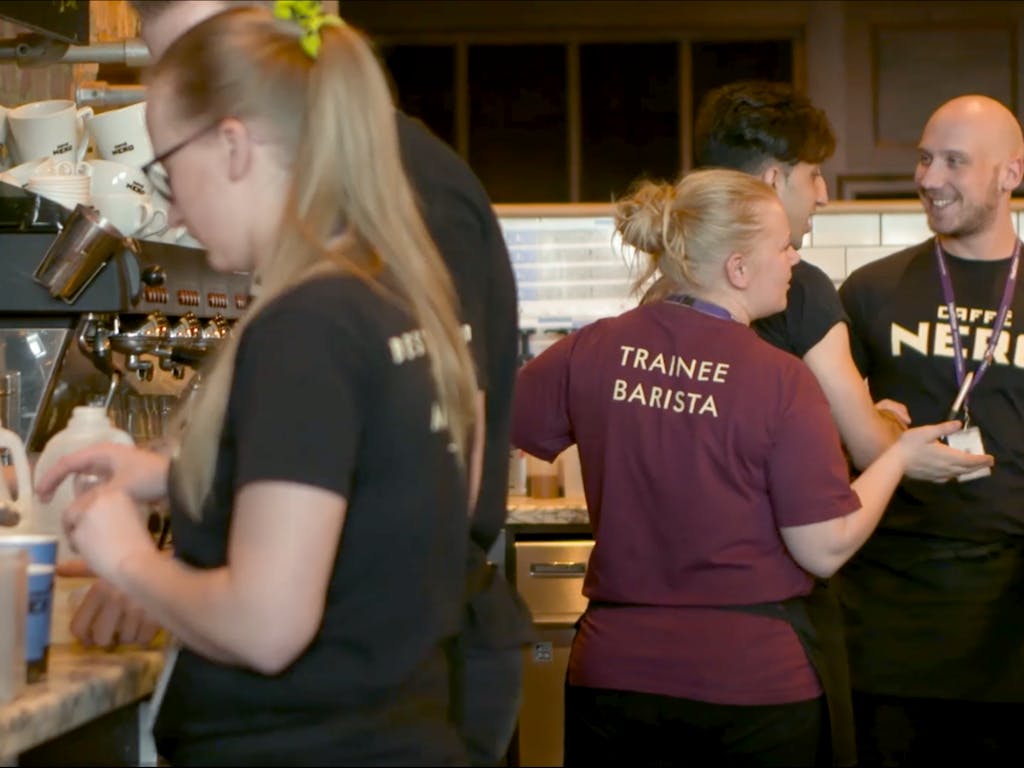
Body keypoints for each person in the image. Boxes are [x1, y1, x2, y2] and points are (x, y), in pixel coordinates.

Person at [65, 1, 532, 764]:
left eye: (167, 169)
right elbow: (374, 484)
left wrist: (126, 558)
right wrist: (177, 478)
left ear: (233, 146)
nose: (171, 211)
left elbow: (266, 626)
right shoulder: (385, 296)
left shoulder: (305, 326)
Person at [511, 168, 963, 767]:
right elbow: (824, 547)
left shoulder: (593, 347)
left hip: (615, 675)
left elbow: (487, 425)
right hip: (752, 685)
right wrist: (898, 455)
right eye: (784, 247)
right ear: (738, 269)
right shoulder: (781, 378)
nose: (795, 260)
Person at [836, 94, 1024, 765]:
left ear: (1010, 174)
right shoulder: (871, 290)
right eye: (923, 158)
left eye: (954, 161)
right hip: (887, 619)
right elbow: (809, 433)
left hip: (1010, 625)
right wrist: (869, 430)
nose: (929, 178)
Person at [690, 81, 989, 483]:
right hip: (771, 518)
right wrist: (884, 425)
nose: (823, 195)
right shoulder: (799, 287)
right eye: (813, 175)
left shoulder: (674, 278)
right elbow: (870, 447)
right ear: (774, 180)